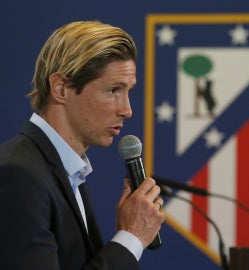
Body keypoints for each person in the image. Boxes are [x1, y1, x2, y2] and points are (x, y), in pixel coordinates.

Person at [0, 21, 165, 270]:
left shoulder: (64, 170)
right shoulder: (19, 175)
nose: (127, 110)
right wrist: (131, 237)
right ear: (61, 88)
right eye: (112, 90)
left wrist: (127, 236)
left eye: (128, 91)